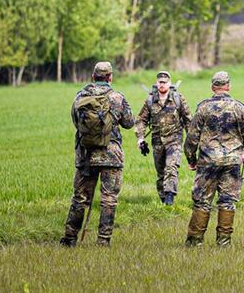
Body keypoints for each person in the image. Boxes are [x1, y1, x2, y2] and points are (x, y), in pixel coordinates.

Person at [59, 61, 135, 247]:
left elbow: (76, 121)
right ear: (110, 77)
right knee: (109, 199)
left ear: (93, 76)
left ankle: (69, 238)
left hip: (86, 155)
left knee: (80, 198)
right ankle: (103, 241)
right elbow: (129, 122)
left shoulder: (80, 96)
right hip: (111, 155)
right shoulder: (117, 97)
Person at [184, 71, 244, 247]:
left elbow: (192, 137)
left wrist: (191, 159)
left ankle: (195, 242)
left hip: (207, 161)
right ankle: (224, 242)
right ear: (229, 86)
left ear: (212, 87)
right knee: (227, 200)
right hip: (232, 162)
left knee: (202, 201)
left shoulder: (203, 107)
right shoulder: (239, 108)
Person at [134, 70, 191, 205]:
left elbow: (188, 119)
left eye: (165, 82)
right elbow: (141, 120)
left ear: (169, 84)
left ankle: (170, 196)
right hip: (157, 140)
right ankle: (163, 198)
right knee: (161, 172)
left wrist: (192, 139)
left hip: (174, 139)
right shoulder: (150, 100)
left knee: (171, 167)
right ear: (156, 83)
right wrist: (140, 138)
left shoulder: (178, 99)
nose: (162, 85)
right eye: (160, 82)